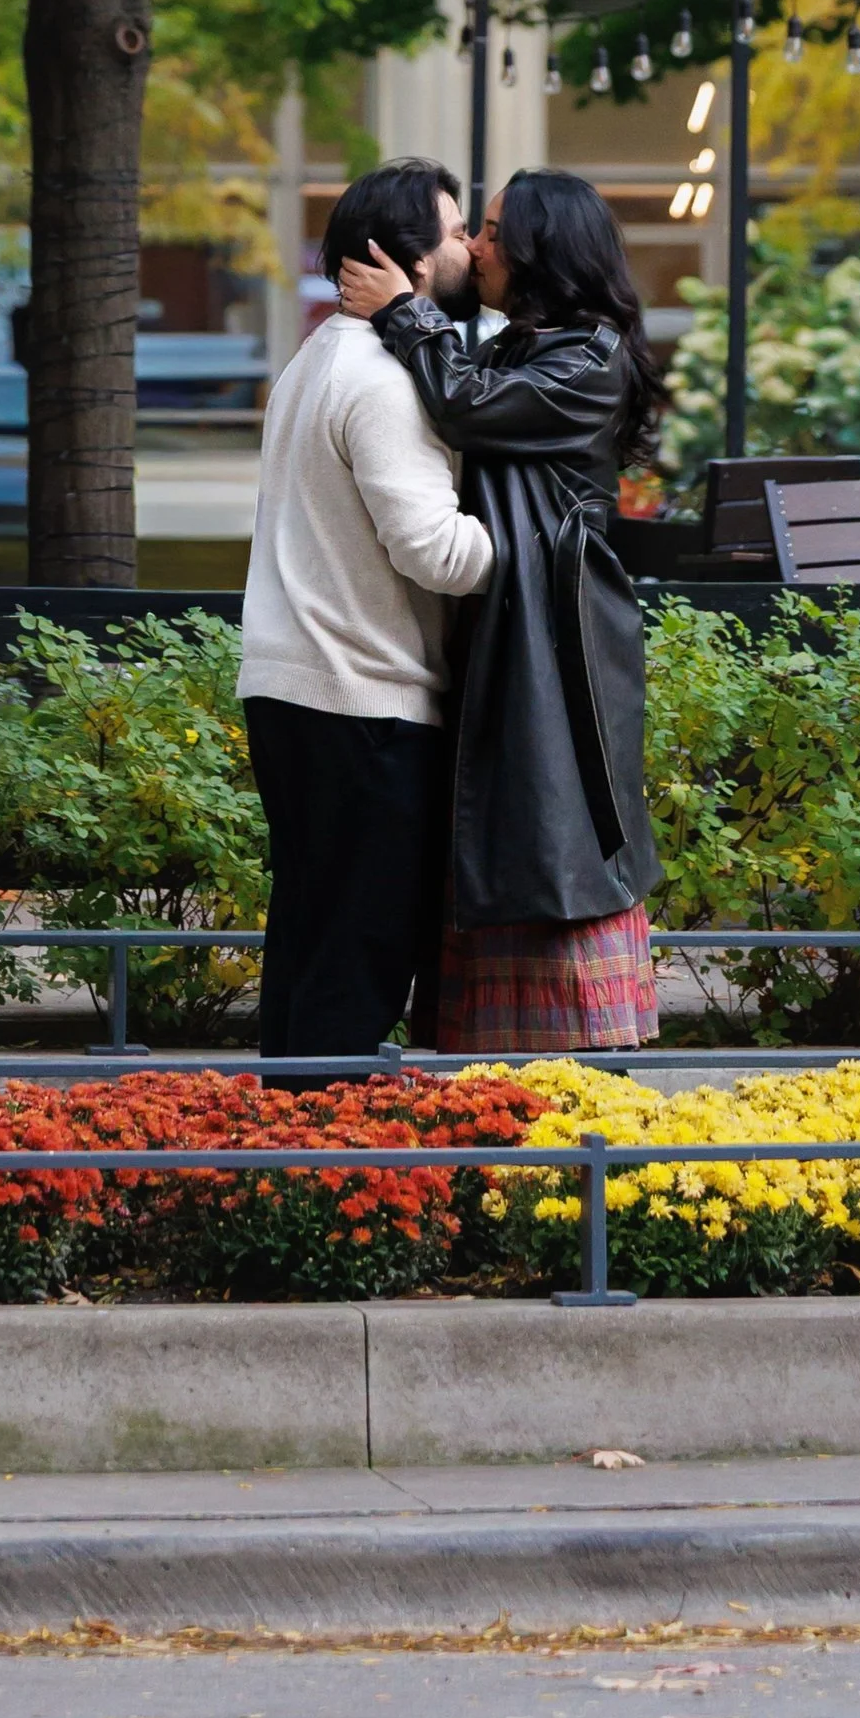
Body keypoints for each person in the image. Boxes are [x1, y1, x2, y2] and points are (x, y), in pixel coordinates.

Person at [337, 166, 665, 1054]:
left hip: (557, 638)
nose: (474, 246)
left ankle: (580, 1094)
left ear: (539, 247)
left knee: (547, 823)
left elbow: (462, 405)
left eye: (489, 230)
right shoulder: (528, 342)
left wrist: (402, 311)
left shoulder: (587, 358)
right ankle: (503, 1094)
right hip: (514, 625)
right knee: (505, 823)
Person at [237, 158, 493, 1060]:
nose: (471, 247)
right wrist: (544, 549)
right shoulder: (385, 380)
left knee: (308, 939)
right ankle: (323, 1168)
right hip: (366, 701)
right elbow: (435, 551)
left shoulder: (314, 358)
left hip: (291, 688)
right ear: (413, 263)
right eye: (459, 232)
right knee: (361, 953)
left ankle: (284, 1157)